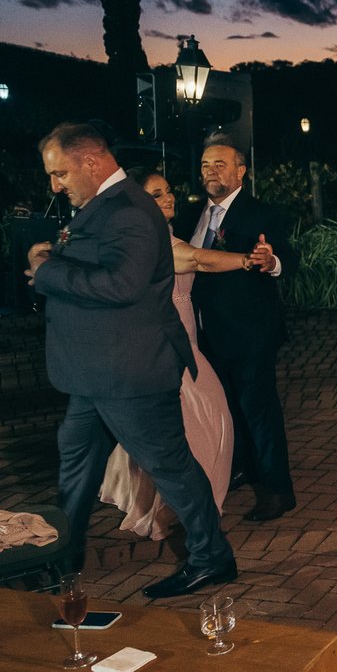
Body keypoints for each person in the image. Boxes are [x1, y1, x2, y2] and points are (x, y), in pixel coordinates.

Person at [26, 122, 237, 598]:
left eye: (60, 173)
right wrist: (52, 263)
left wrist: (49, 271)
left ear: (92, 162)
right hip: (94, 373)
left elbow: (122, 285)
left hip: (130, 371)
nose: (55, 185)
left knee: (172, 468)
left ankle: (212, 558)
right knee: (75, 470)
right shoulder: (100, 208)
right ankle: (62, 562)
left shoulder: (128, 211)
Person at [98, 168, 264, 540]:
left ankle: (181, 506)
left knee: (198, 425)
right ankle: (193, 509)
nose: (169, 197)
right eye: (157, 194)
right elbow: (199, 260)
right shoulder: (155, 245)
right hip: (169, 350)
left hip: (186, 343)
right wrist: (246, 260)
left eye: (169, 190)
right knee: (204, 423)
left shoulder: (165, 235)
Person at [179, 135, 298, 522]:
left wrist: (271, 260)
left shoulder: (260, 214)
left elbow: (287, 260)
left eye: (220, 165)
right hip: (204, 335)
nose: (211, 172)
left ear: (241, 170)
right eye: (205, 166)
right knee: (226, 409)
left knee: (259, 412)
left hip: (250, 334)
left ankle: (278, 490)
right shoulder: (189, 215)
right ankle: (241, 467)